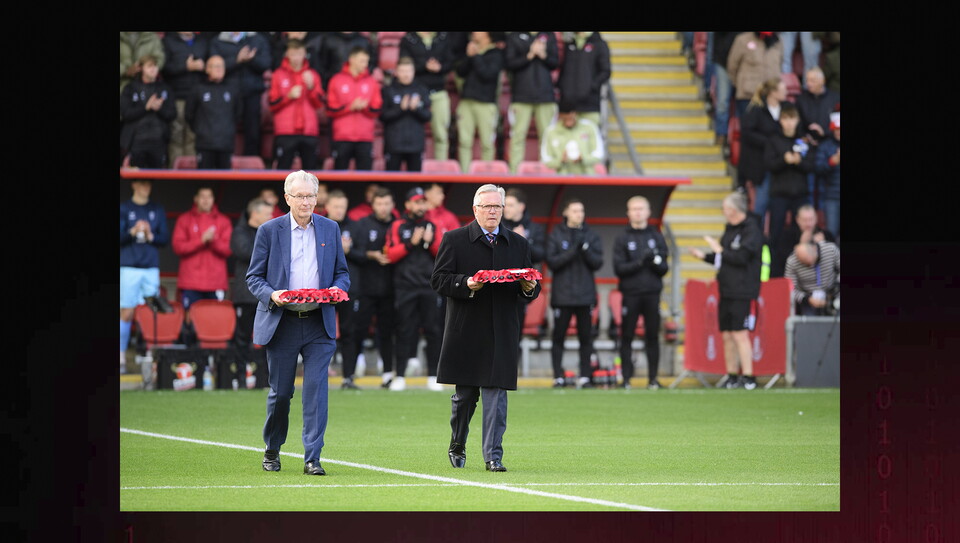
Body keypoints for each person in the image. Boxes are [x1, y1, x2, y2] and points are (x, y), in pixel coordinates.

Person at [246, 170, 350, 476]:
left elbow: (342, 272)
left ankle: (312, 457)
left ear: (318, 198)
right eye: (300, 196)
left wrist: (337, 289)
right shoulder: (268, 230)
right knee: (281, 393)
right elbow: (253, 277)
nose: (306, 201)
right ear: (287, 197)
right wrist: (273, 294)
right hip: (282, 322)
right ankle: (272, 448)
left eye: (311, 196)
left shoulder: (330, 229)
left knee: (316, 389)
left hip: (320, 321)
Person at [431, 184, 541, 472]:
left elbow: (530, 285)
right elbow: (439, 280)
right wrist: (465, 284)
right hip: (465, 330)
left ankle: (494, 456)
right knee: (465, 398)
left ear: (503, 210)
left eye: (497, 206)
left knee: (496, 395)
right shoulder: (454, 240)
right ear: (475, 209)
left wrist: (530, 287)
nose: (492, 211)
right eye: (487, 206)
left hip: (502, 329)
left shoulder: (518, 243)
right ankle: (458, 441)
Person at [688, 192, 762, 390]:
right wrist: (704, 256)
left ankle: (748, 376)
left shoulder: (751, 230)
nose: (723, 212)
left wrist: (719, 249)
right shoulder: (729, 230)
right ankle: (731, 375)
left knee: (740, 333)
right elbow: (724, 259)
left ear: (733, 210)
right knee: (726, 334)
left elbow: (740, 258)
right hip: (726, 289)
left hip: (743, 289)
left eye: (724, 208)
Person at [385, 187, 443, 391]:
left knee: (433, 331)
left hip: (429, 286)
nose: (420, 206)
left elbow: (442, 254)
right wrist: (411, 243)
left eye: (423, 202)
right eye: (416, 202)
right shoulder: (398, 225)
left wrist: (428, 243)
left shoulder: (432, 225)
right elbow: (390, 255)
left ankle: (433, 376)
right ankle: (399, 375)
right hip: (405, 287)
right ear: (408, 205)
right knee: (404, 330)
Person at [545, 198, 603, 388]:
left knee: (586, 337)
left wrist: (584, 248)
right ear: (566, 213)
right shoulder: (556, 235)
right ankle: (558, 376)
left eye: (581, 211)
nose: (579, 214)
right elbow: (552, 263)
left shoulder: (591, 235)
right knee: (558, 336)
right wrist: (573, 249)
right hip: (562, 296)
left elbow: (597, 263)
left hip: (585, 296)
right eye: (575, 211)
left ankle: (585, 375)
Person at [612, 196, 669, 390]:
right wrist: (639, 263)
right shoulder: (623, 238)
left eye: (641, 208)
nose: (637, 212)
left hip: (652, 294)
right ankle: (626, 379)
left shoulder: (657, 237)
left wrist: (654, 261)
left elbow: (664, 268)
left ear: (648, 211)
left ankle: (653, 379)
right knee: (626, 335)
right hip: (631, 294)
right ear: (628, 213)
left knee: (652, 336)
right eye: (633, 209)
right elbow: (619, 268)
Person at [351, 188, 400, 388]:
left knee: (387, 332)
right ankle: (351, 372)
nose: (383, 207)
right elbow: (352, 251)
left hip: (390, 288)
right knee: (359, 330)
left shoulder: (398, 224)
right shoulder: (362, 225)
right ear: (373, 205)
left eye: (387, 203)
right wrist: (370, 255)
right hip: (365, 289)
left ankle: (388, 373)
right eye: (379, 203)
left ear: (392, 204)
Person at [120, 180, 169, 374]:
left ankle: (151, 354)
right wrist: (132, 231)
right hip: (129, 266)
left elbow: (164, 239)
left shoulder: (156, 209)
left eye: (148, 184)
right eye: (141, 184)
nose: (145, 187)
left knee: (152, 310)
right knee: (127, 310)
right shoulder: (125, 208)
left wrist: (150, 234)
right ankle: (121, 355)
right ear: (134, 186)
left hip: (150, 267)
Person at [325, 190, 367, 389]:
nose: (339, 210)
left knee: (350, 331)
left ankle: (348, 377)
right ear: (328, 207)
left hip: (350, 288)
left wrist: (349, 251)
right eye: (336, 206)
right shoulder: (319, 225)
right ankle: (319, 373)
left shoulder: (356, 227)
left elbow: (364, 255)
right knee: (320, 331)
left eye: (342, 206)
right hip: (323, 288)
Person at [764, 102, 816, 256]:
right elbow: (768, 164)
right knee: (776, 233)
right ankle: (774, 273)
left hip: (800, 193)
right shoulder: (773, 140)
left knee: (801, 234)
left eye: (792, 118)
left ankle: (800, 266)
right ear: (780, 120)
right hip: (779, 194)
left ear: (798, 120)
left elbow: (812, 166)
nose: (789, 122)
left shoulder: (804, 140)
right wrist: (783, 160)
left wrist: (799, 162)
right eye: (785, 118)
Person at [504, 31, 560, 172]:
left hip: (545, 96)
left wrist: (542, 55)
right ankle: (514, 171)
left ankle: (546, 170)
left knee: (547, 137)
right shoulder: (514, 36)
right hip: (521, 96)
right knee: (517, 136)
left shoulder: (549, 35)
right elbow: (509, 63)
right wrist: (529, 55)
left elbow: (555, 62)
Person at [210, 32, 271, 158]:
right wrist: (237, 60)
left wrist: (251, 59)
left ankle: (252, 166)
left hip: (252, 92)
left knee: (253, 132)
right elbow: (213, 67)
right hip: (227, 93)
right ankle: (225, 163)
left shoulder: (257, 39)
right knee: (225, 130)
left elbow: (266, 64)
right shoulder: (218, 40)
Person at [171, 187, 233, 312]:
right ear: (196, 199)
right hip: (190, 280)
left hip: (215, 281)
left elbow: (229, 249)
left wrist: (213, 240)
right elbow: (178, 247)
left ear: (213, 199)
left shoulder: (223, 221)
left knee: (214, 318)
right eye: (202, 196)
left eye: (209, 196)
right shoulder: (184, 219)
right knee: (190, 318)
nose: (206, 200)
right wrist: (201, 240)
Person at [269, 39, 325, 170]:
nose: (296, 58)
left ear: (304, 54)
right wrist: (288, 97)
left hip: (309, 131)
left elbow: (319, 104)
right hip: (285, 130)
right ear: (287, 54)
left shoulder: (313, 75)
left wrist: (311, 87)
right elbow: (272, 104)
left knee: (310, 173)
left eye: (299, 53)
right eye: (293, 54)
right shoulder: (278, 75)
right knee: (282, 171)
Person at [739, 77, 787, 230]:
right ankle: (755, 238)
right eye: (782, 89)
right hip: (763, 165)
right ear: (773, 93)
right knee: (761, 205)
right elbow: (747, 133)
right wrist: (769, 143)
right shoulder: (757, 110)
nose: (787, 92)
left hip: (783, 165)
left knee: (779, 208)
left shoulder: (788, 108)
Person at [326, 46, 383, 170]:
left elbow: (377, 109)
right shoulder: (336, 80)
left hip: (365, 136)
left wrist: (365, 107)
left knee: (365, 176)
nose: (365, 64)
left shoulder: (371, 82)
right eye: (362, 61)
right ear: (352, 59)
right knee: (339, 176)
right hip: (342, 136)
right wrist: (350, 107)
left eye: (367, 61)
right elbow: (330, 109)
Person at [230, 197, 275, 354]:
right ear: (255, 213)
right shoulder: (239, 233)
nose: (271, 217)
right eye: (268, 214)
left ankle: (264, 378)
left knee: (268, 339)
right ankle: (241, 377)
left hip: (267, 294)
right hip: (246, 295)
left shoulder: (271, 232)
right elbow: (246, 253)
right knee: (243, 338)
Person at [455, 32, 504, 172]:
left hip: (486, 103)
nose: (474, 33)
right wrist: (469, 56)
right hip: (467, 101)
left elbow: (488, 74)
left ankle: (486, 175)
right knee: (464, 141)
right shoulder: (471, 49)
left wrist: (476, 56)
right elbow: (460, 71)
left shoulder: (496, 53)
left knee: (487, 143)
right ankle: (464, 174)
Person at [400, 32, 454, 160]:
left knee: (441, 135)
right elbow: (404, 64)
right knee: (414, 133)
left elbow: (451, 62)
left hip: (438, 91)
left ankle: (440, 173)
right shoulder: (409, 38)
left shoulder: (443, 37)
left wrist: (440, 67)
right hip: (416, 91)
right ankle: (416, 170)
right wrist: (424, 66)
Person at [120, 54, 176, 168]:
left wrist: (159, 108)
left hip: (158, 141)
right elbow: (126, 114)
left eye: (155, 66)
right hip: (136, 142)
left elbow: (172, 114)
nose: (153, 69)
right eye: (150, 66)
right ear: (141, 68)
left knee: (157, 180)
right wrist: (146, 107)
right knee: (137, 179)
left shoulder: (165, 88)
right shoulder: (130, 88)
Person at [186, 55, 242, 169]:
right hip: (204, 144)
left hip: (226, 144)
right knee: (205, 183)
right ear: (207, 69)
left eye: (222, 66)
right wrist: (201, 131)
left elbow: (238, 114)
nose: (219, 69)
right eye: (216, 66)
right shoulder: (198, 89)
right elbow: (189, 115)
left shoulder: (232, 89)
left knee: (225, 183)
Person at [162, 32, 209, 168]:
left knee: (193, 137)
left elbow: (212, 63)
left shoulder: (202, 41)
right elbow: (164, 68)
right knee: (176, 136)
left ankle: (190, 172)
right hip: (177, 97)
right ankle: (176, 172)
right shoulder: (168, 41)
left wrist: (204, 66)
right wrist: (186, 67)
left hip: (198, 99)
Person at [380, 57, 432, 172]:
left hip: (415, 146)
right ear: (396, 72)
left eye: (408, 71)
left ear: (413, 72)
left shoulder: (421, 90)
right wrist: (400, 109)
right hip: (394, 145)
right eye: (402, 71)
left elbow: (427, 116)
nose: (406, 74)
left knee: (415, 183)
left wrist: (416, 109)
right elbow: (383, 116)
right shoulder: (388, 90)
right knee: (391, 182)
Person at [557, 32, 611, 128]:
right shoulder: (570, 44)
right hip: (569, 105)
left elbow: (605, 71)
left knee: (589, 138)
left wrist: (590, 87)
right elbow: (563, 70)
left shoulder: (599, 44)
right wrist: (563, 89)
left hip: (589, 104)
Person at [771, 204, 836, 279]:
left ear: (816, 219)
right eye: (805, 220)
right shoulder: (787, 235)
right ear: (797, 220)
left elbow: (834, 260)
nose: (808, 224)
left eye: (811, 219)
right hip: (796, 279)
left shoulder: (826, 235)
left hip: (823, 280)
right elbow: (783, 262)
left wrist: (823, 246)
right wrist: (802, 244)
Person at [727, 32, 782, 120]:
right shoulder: (743, 40)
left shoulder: (778, 41)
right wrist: (741, 84)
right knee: (748, 129)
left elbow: (780, 64)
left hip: (771, 96)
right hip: (748, 95)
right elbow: (732, 66)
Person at [540, 100, 605, 175]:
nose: (568, 120)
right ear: (560, 115)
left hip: (586, 177)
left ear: (576, 114)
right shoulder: (551, 131)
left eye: (571, 117)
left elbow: (598, 154)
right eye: (565, 118)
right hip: (561, 180)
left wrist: (583, 158)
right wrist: (561, 161)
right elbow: (546, 159)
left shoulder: (589, 127)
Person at [784, 240, 840, 316]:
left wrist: (836, 287)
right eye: (805, 263)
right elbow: (790, 290)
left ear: (814, 249)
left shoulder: (831, 249)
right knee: (810, 323)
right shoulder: (792, 262)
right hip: (808, 297)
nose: (810, 266)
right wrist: (807, 299)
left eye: (811, 261)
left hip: (833, 291)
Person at [502, 188, 545, 266]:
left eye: (510, 205)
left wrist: (524, 240)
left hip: (525, 276)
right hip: (503, 275)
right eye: (505, 205)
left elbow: (540, 256)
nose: (506, 209)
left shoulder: (534, 228)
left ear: (521, 207)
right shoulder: (498, 226)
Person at [815, 111, 840, 238]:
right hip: (831, 196)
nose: (838, 132)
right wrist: (832, 162)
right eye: (836, 129)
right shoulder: (825, 146)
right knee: (831, 234)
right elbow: (818, 169)